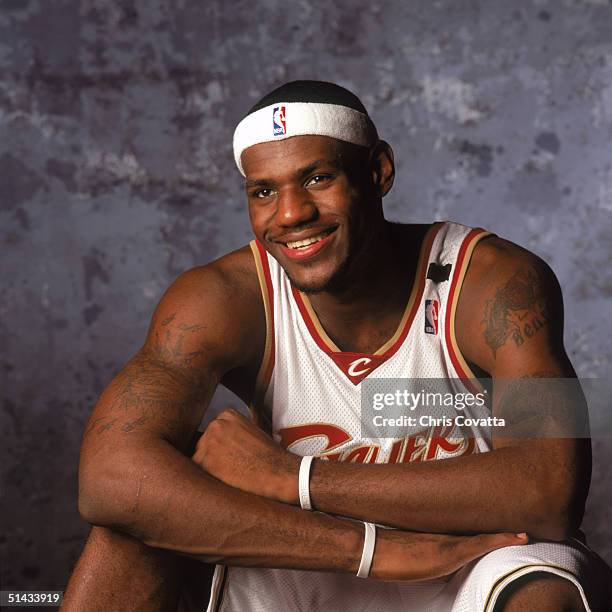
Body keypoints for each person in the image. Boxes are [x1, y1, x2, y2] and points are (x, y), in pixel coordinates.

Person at [63, 80, 610, 611]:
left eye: (318, 178)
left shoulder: (494, 281)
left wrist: (293, 476)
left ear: (379, 171)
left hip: (470, 563)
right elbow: (111, 479)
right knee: (129, 533)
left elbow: (550, 490)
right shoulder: (222, 297)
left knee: (539, 585)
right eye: (263, 192)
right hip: (316, 565)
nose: (291, 213)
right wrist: (373, 549)